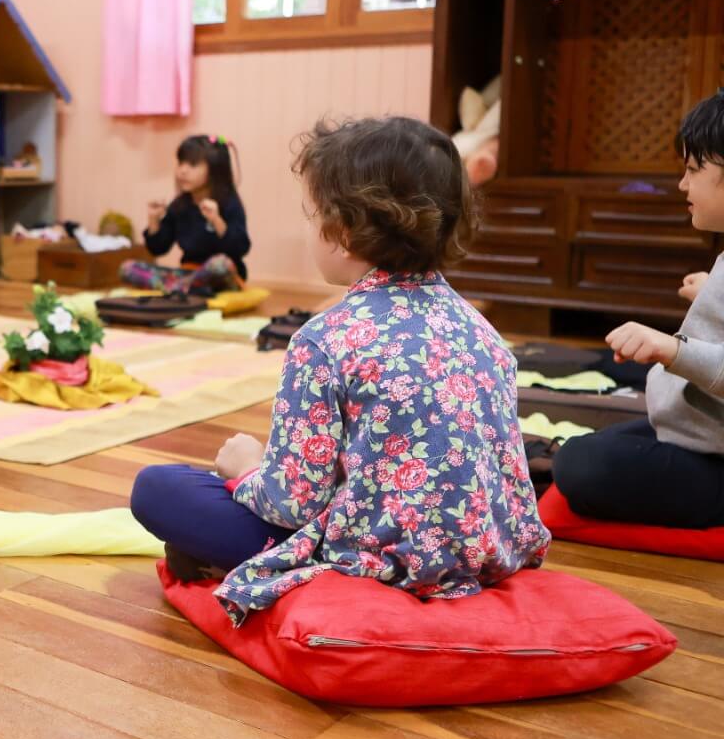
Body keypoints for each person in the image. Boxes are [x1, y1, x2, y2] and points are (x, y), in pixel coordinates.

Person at [130, 116, 550, 623]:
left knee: (157, 487)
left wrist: (246, 471)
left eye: (312, 215)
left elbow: (293, 505)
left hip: (376, 560)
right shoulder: (488, 334)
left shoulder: (323, 340)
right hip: (486, 554)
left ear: (344, 232)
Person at [553, 91, 724, 528]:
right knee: (585, 448)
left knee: (582, 465)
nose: (683, 185)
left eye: (692, 170)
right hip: (698, 431)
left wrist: (671, 349)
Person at [119, 134, 251, 296]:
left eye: (193, 164)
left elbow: (241, 248)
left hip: (220, 275)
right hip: (188, 274)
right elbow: (158, 249)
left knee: (220, 265)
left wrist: (216, 221)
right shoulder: (180, 205)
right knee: (128, 268)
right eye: (181, 163)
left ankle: (177, 288)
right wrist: (154, 220)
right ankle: (186, 287)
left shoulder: (228, 202)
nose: (182, 170)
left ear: (215, 168)